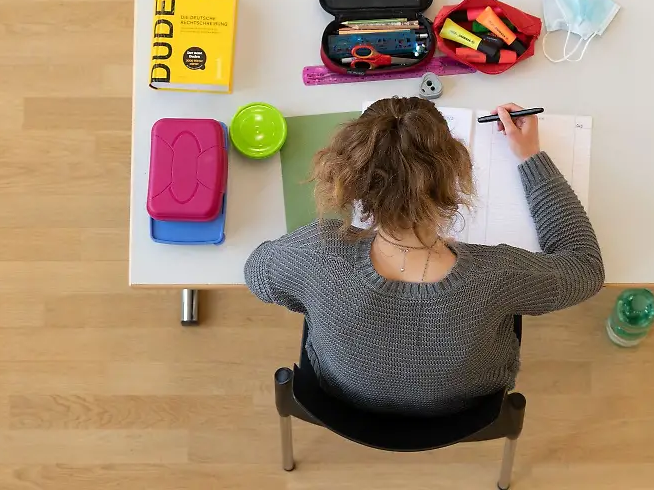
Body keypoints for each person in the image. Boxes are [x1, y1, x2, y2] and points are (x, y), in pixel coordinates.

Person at [245, 97, 603, 416]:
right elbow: (585, 267)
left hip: (341, 398)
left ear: (350, 179)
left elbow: (256, 272)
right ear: (454, 177)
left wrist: (320, 299)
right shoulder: (495, 276)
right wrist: (531, 157)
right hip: (467, 408)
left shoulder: (317, 255)